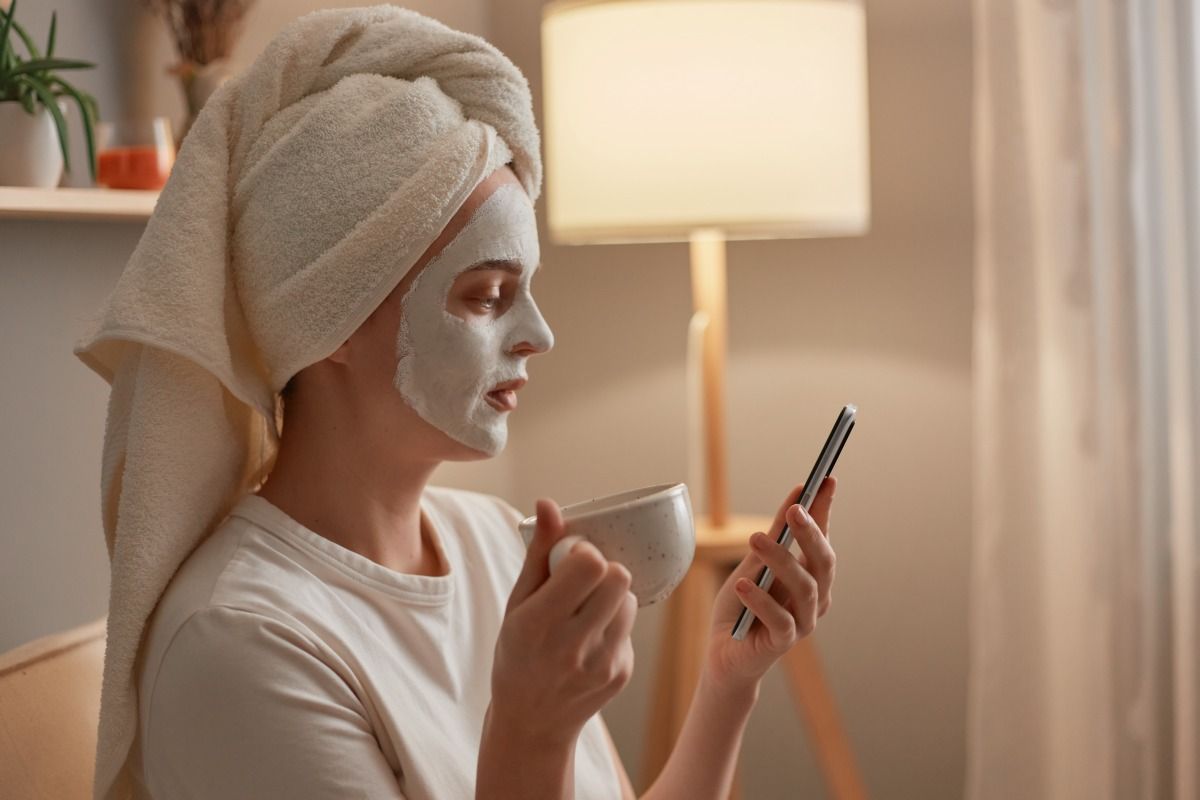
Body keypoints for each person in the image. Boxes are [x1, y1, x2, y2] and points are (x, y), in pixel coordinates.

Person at [75, 8, 838, 800]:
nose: (538, 333)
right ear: (331, 319)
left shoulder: (492, 546)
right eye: (486, 296)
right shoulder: (239, 642)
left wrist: (728, 683)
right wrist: (529, 736)